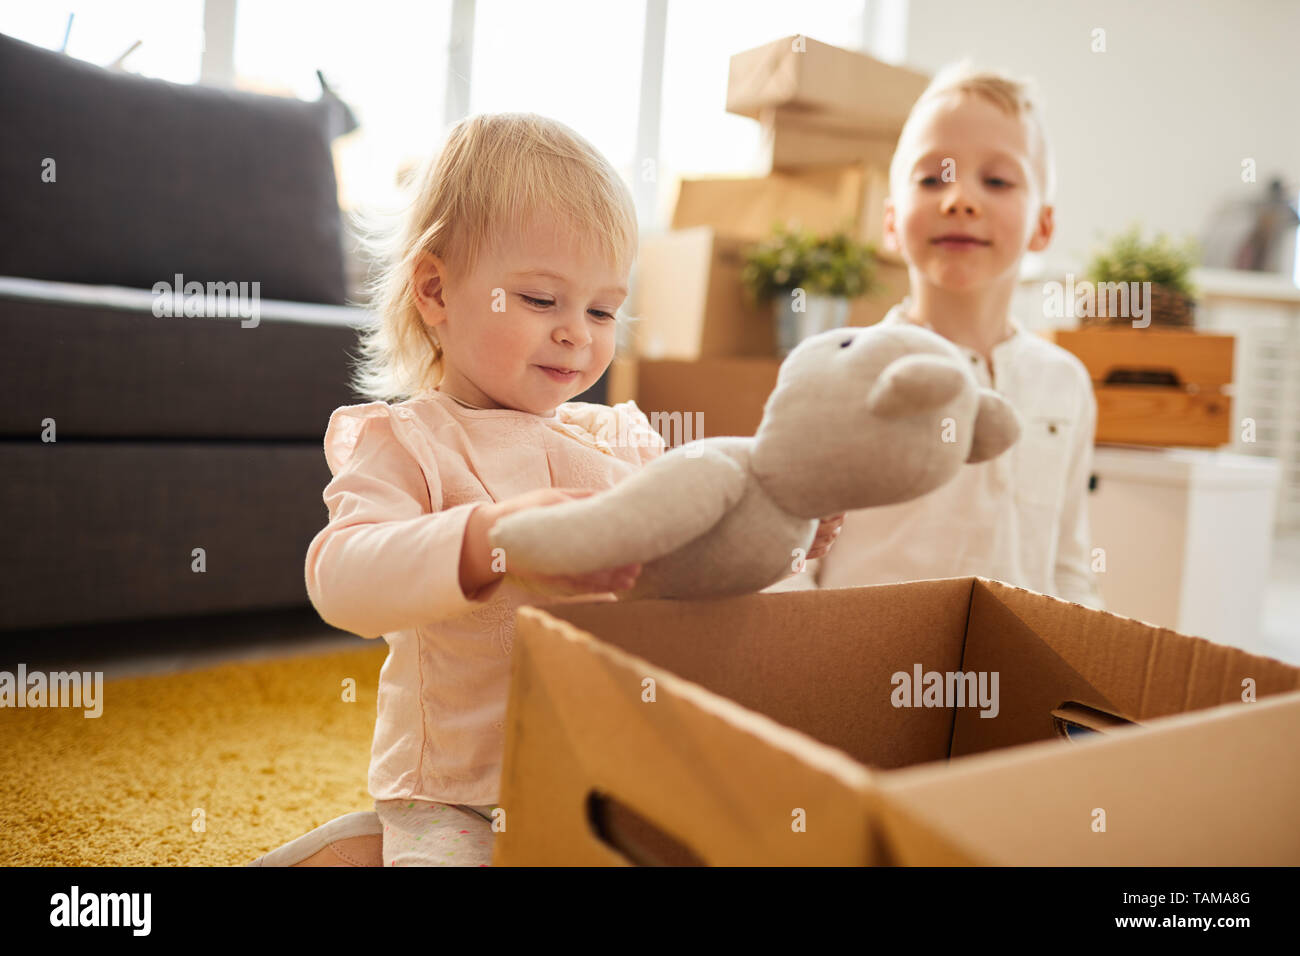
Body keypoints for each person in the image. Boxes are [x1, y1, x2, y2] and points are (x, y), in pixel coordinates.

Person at [257, 112, 843, 867]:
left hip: (601, 774)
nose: (578, 333)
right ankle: (380, 845)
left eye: (602, 309)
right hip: (457, 789)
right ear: (436, 290)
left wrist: (789, 543)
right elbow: (341, 579)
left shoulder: (619, 440)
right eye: (540, 300)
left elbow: (696, 566)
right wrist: (483, 541)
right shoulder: (409, 443)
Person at [782, 61, 1105, 610]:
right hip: (865, 679)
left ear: (1042, 227)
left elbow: (1069, 566)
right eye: (932, 179)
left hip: (1015, 684)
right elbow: (787, 557)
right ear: (890, 221)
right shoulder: (842, 370)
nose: (960, 200)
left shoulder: (1064, 383)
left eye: (998, 180)